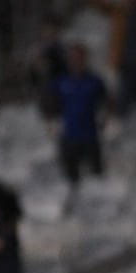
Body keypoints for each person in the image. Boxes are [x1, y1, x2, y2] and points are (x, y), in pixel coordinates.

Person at [49, 44, 110, 185]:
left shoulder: (94, 81)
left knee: (97, 177)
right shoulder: (60, 82)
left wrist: (106, 118)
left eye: (79, 57)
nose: (76, 61)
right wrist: (51, 121)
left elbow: (107, 102)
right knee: (70, 179)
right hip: (68, 137)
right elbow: (48, 103)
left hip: (90, 136)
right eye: (72, 58)